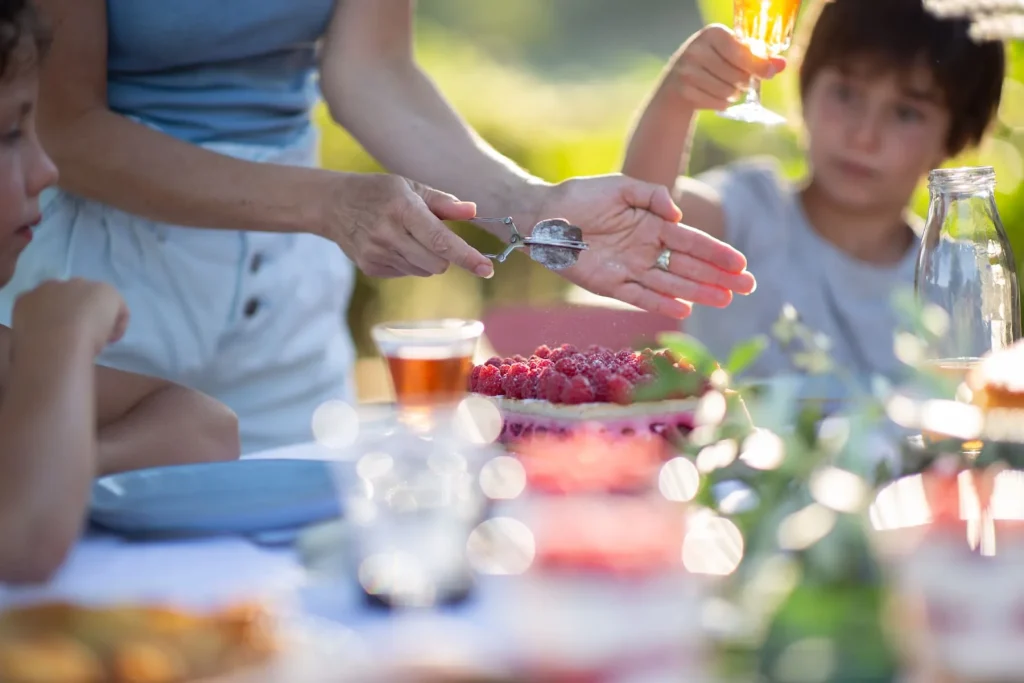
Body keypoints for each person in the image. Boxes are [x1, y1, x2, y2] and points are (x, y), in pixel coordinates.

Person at [0, 0, 756, 454]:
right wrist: (326, 205)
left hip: (288, 272)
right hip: (101, 272)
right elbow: (66, 125)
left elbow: (375, 69)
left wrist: (527, 205)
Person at [622, 0, 1005, 384]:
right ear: (805, 88)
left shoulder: (957, 277)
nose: (864, 136)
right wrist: (676, 100)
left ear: (956, 136)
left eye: (906, 113)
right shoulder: (749, 210)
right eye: (846, 94)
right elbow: (642, 216)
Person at [0, 0, 241, 583]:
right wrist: (58, 340)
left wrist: (62, 465)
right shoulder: (36, 338)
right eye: (9, 134)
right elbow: (24, 543)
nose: (47, 169)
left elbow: (210, 428)